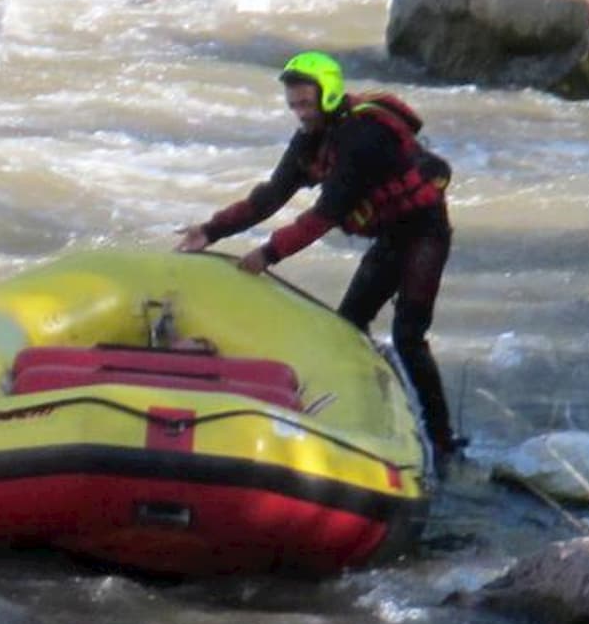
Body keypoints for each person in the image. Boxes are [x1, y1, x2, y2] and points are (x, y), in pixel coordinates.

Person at [175, 52, 461, 475]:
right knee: (347, 327)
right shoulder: (312, 139)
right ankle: (368, 418)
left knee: (408, 335)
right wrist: (212, 230)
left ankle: (443, 443)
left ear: (328, 95)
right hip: (390, 237)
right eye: (293, 106)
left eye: (305, 104)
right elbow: (269, 197)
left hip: (424, 233)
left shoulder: (363, 136)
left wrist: (268, 253)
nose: (299, 114)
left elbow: (324, 216)